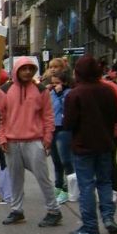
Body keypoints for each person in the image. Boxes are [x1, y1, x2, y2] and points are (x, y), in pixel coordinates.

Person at [0, 57, 63, 227]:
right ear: (17, 70)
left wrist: (47, 138)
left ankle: (54, 210)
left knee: (43, 177)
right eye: (23, 68)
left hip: (34, 140)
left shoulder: (41, 90)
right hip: (11, 141)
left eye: (30, 68)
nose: (27, 72)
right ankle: (16, 210)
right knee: (15, 179)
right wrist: (1, 137)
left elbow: (48, 116)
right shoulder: (4, 90)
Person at [64, 55, 117, 234]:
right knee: (105, 182)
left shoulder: (75, 94)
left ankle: (90, 226)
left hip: (83, 145)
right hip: (105, 143)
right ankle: (109, 217)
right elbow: (115, 116)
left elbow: (68, 123)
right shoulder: (108, 90)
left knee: (86, 185)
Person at [49, 71, 74, 204]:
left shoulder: (69, 93)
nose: (55, 86)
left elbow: (67, 109)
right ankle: (58, 185)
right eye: (53, 83)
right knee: (56, 161)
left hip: (64, 128)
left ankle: (68, 188)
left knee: (66, 160)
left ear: (64, 82)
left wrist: (60, 95)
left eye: (57, 83)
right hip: (53, 128)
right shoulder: (51, 93)